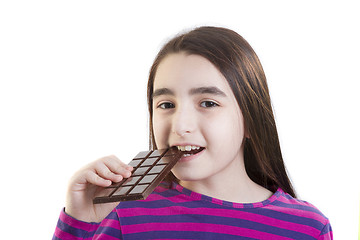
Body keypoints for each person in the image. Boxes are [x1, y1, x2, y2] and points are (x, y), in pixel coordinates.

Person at [53, 26, 333, 239]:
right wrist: (79, 221)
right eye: (166, 104)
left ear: (251, 118)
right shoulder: (123, 215)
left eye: (208, 103)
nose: (179, 125)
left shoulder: (307, 227)